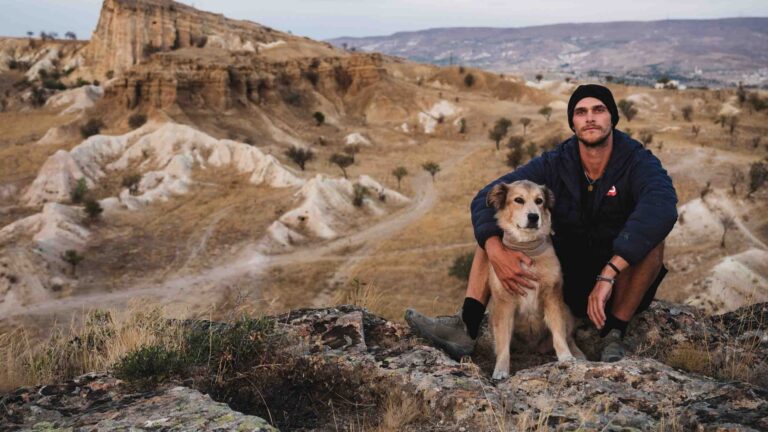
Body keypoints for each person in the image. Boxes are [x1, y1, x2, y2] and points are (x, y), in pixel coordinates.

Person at [406, 84, 678, 362]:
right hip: (564, 282)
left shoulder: (637, 161)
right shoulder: (557, 162)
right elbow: (485, 199)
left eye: (599, 110)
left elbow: (663, 207)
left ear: (613, 118)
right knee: (497, 227)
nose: (590, 118)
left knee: (653, 240)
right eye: (581, 112)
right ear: (573, 122)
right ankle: (468, 326)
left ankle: (614, 334)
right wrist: (496, 252)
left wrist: (610, 272)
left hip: (617, 284)